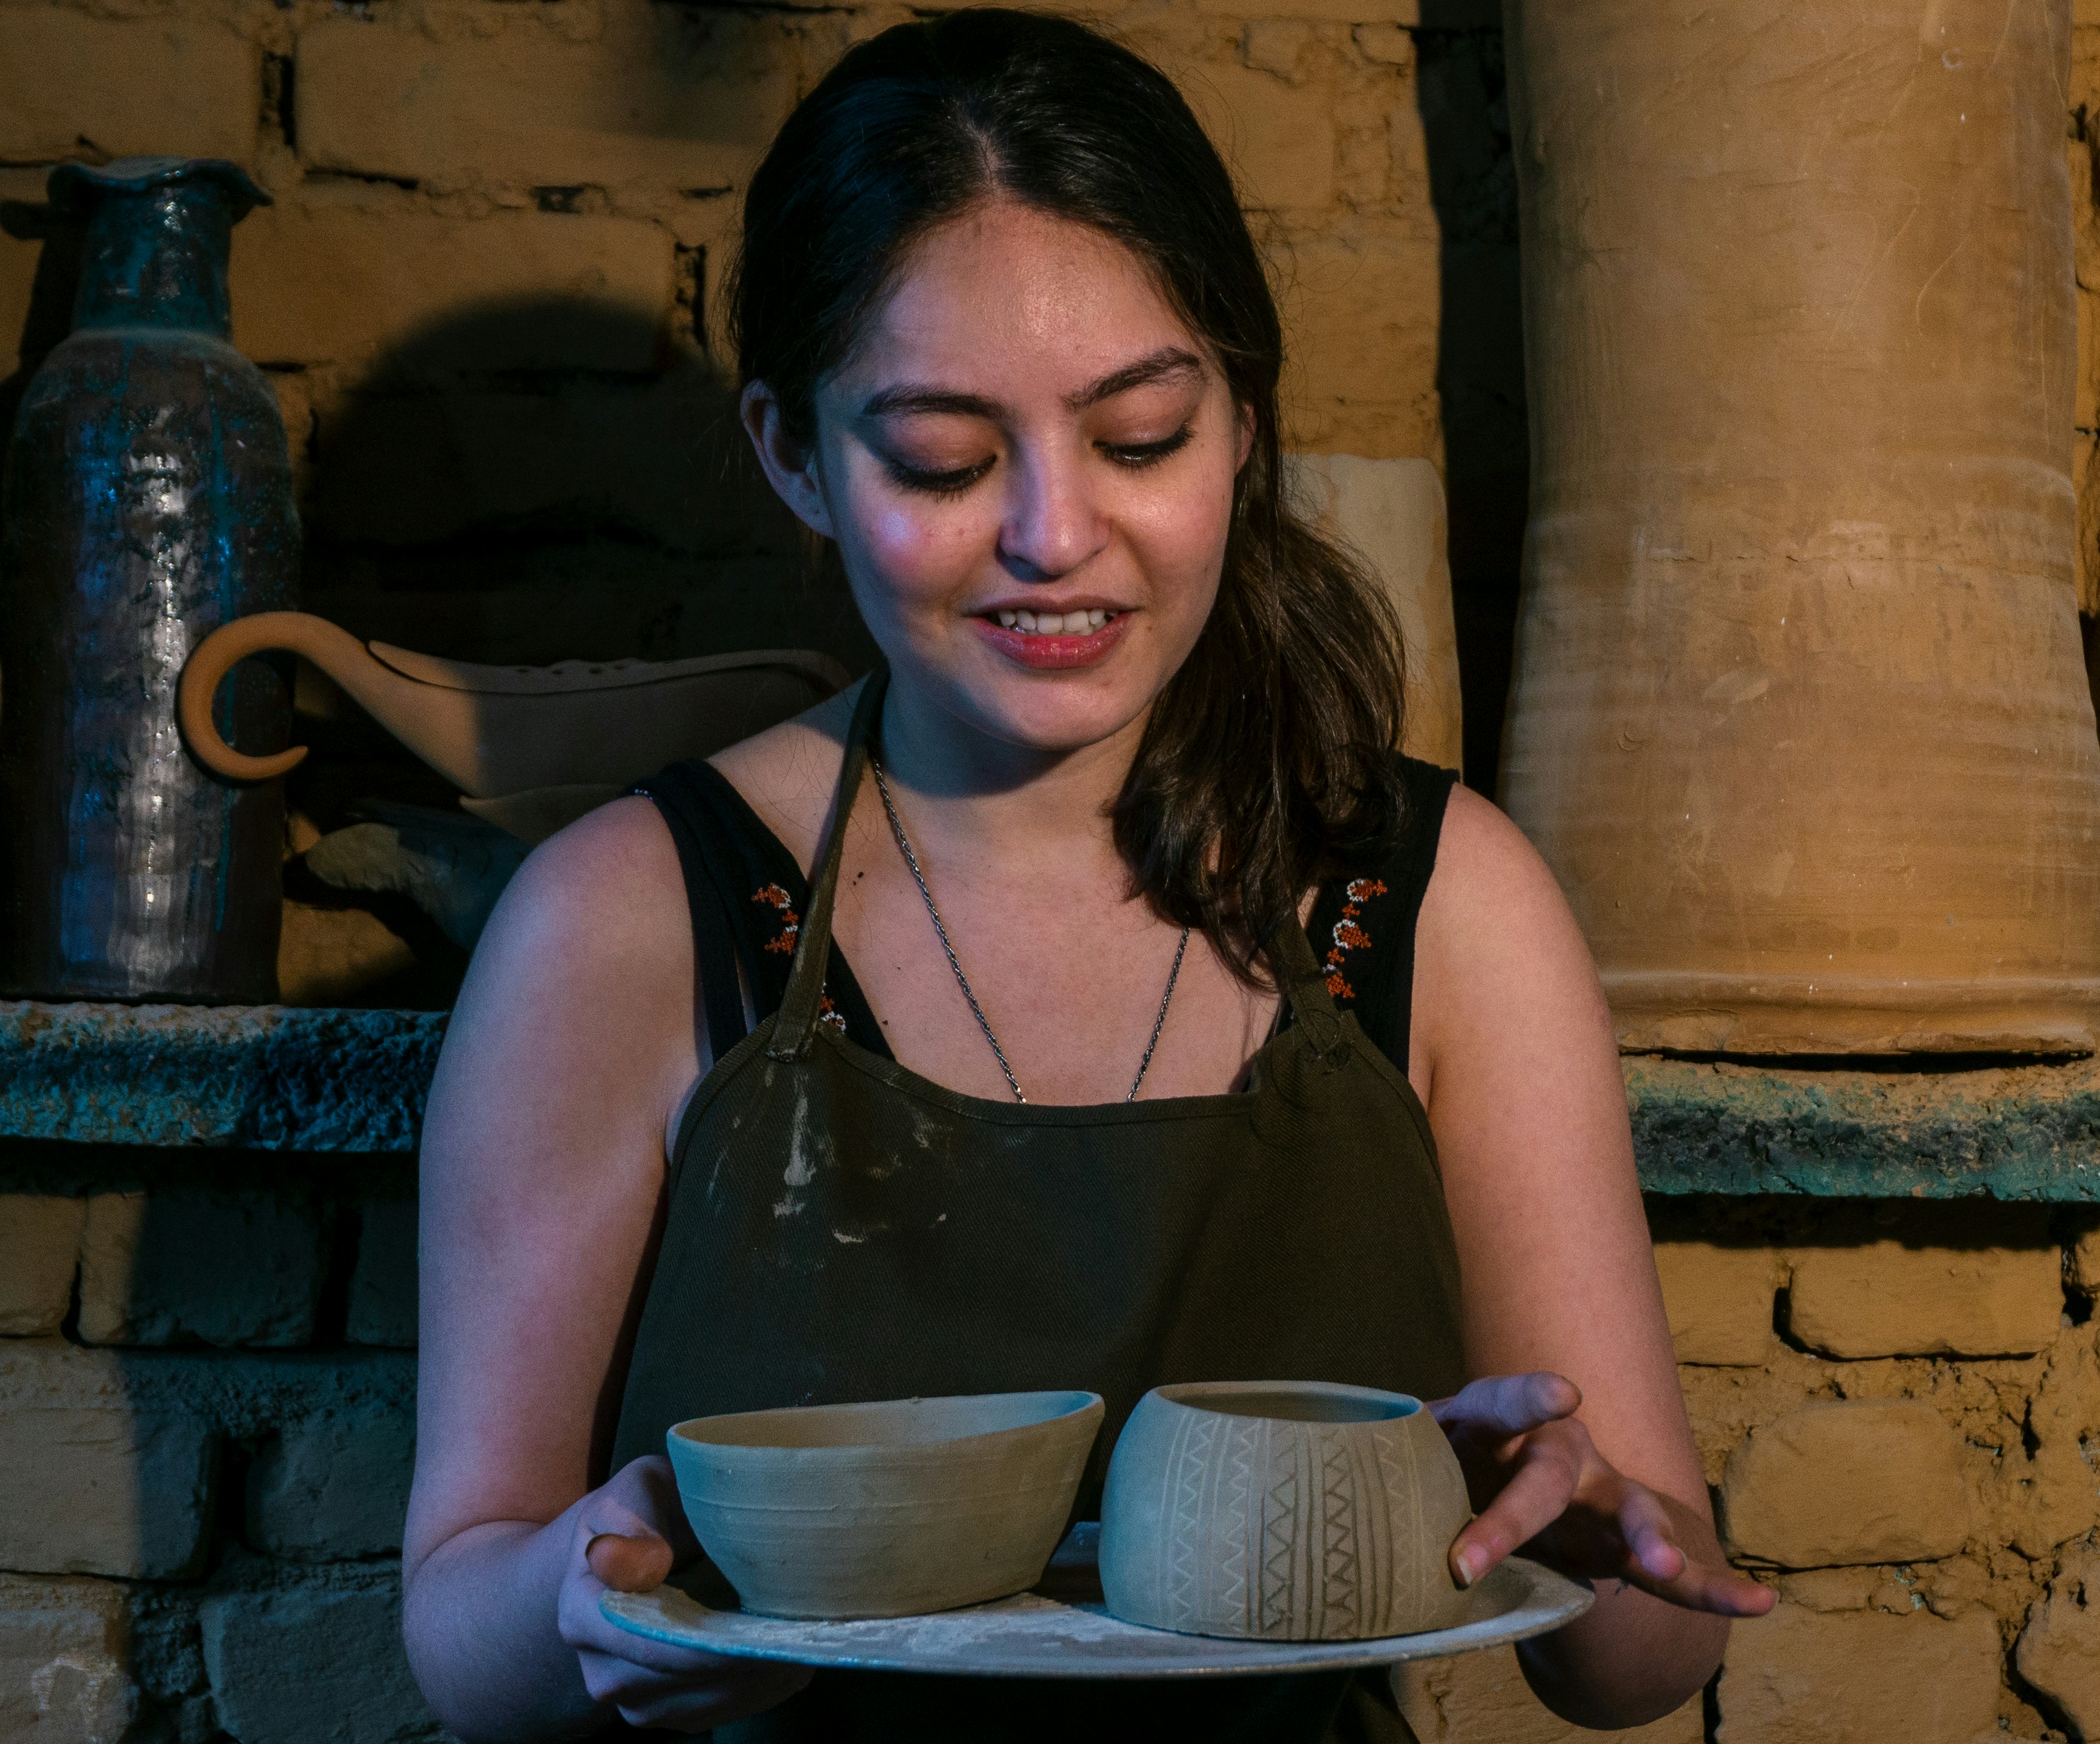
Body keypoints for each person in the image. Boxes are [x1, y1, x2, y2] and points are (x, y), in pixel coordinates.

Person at [398, 11, 1773, 1739]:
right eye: (945, 460)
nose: (1055, 535)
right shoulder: (634, 916)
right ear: (792, 453)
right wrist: (576, 1595)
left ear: (1244, 427)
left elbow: (1651, 1664)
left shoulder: (1437, 903)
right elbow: (460, 1632)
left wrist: (1579, 1531)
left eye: (1138, 439)